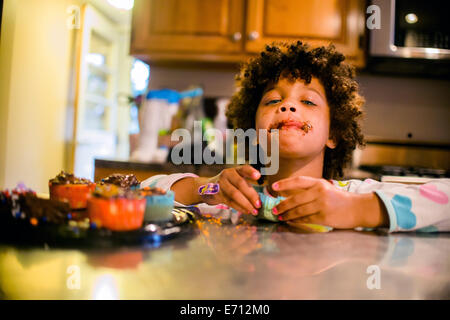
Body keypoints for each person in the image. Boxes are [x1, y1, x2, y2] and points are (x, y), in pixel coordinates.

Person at [142, 41, 450, 233]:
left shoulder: (354, 195)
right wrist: (203, 188)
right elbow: (140, 194)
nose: (288, 105)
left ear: (335, 133)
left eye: (309, 101)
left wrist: (360, 210)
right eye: (273, 100)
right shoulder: (232, 199)